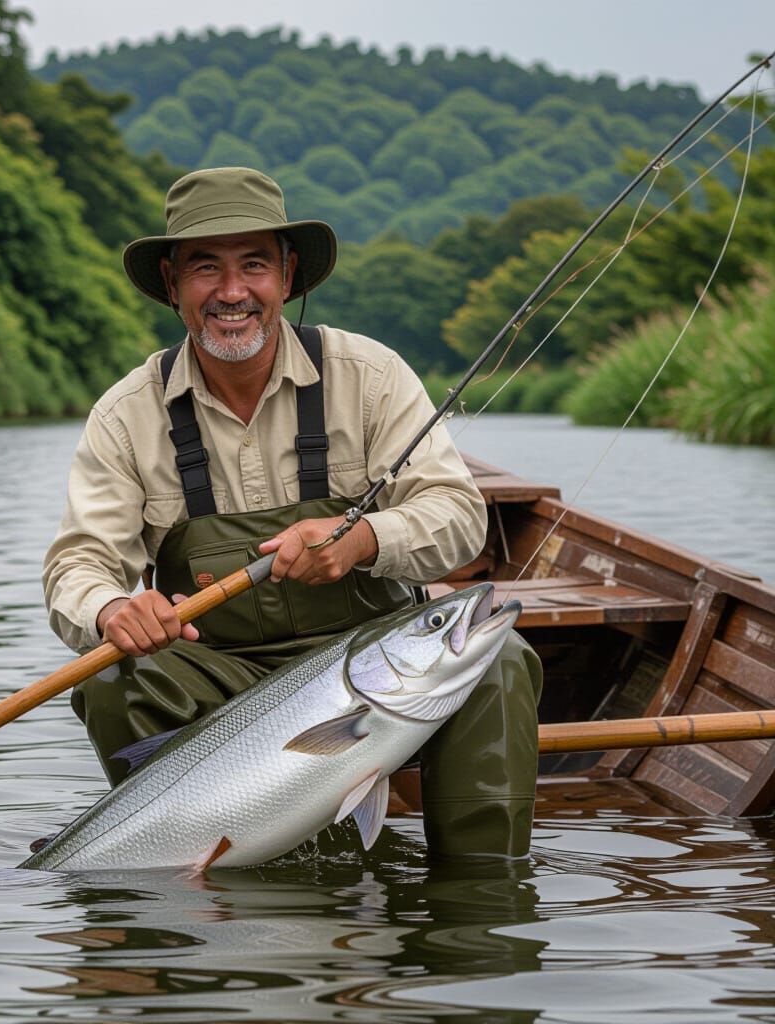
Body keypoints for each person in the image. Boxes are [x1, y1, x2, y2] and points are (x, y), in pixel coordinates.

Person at [43, 167, 542, 859]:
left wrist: (365, 539)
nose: (232, 292)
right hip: (219, 676)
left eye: (254, 264)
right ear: (171, 283)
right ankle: (171, 863)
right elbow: (79, 564)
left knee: (499, 659)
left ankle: (481, 896)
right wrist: (108, 610)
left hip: (376, 660)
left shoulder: (371, 374)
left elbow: (459, 517)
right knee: (109, 673)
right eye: (205, 268)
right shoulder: (127, 415)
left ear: (287, 274)